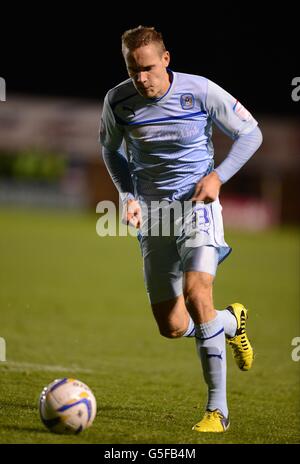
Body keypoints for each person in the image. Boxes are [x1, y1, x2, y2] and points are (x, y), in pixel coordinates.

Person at [99, 25, 263, 432]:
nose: (142, 78)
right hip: (154, 215)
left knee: (196, 292)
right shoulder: (118, 102)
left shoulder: (200, 91)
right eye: (133, 69)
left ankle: (217, 411)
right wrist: (127, 195)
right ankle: (229, 322)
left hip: (198, 207)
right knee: (172, 326)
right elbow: (110, 149)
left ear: (166, 60)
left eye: (149, 68)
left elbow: (251, 132)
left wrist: (218, 177)